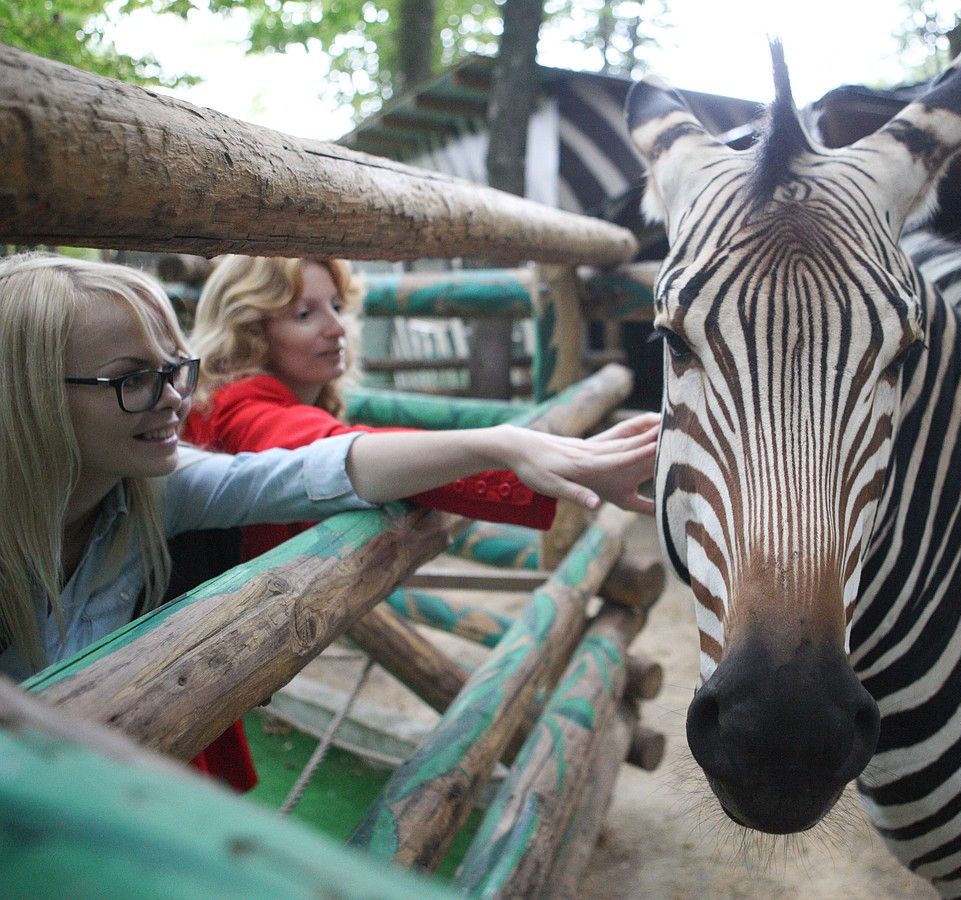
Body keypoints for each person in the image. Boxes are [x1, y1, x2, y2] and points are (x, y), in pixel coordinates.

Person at [0, 253, 658, 787]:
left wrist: (505, 444)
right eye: (133, 377)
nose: (173, 397)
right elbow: (306, 449)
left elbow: (331, 464)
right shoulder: (243, 409)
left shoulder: (157, 482)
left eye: (174, 370)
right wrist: (508, 455)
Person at [185, 256, 610, 559]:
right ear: (251, 329)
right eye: (303, 314)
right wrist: (507, 447)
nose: (336, 327)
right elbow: (340, 455)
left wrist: (567, 464)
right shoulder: (236, 408)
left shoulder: (244, 399)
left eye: (336, 306)